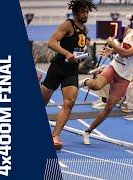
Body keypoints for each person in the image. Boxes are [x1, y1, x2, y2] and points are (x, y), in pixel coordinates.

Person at [79, 18, 133, 144]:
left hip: (124, 77)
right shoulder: (129, 31)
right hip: (114, 67)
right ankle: (86, 81)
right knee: (96, 86)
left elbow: (125, 53)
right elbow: (121, 47)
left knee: (109, 108)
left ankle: (87, 132)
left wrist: (111, 43)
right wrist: (112, 50)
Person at [40, 0, 96, 150]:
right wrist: (66, 53)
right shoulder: (68, 24)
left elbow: (78, 48)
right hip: (57, 68)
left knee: (69, 102)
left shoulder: (84, 29)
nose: (85, 15)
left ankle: (55, 136)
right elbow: (52, 42)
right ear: (76, 12)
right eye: (83, 12)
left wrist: (81, 56)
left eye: (87, 12)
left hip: (71, 71)